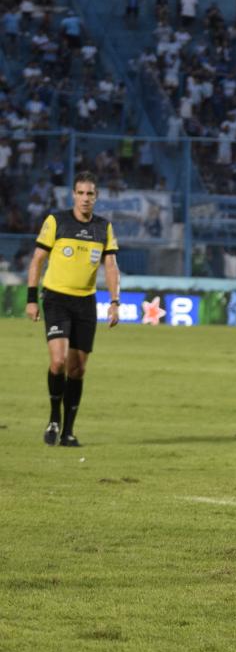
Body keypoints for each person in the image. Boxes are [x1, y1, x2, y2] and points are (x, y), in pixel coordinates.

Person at [25, 171, 120, 447]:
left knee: (77, 369)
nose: (85, 198)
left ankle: (68, 431)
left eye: (90, 193)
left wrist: (114, 302)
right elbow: (37, 261)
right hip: (56, 299)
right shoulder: (56, 221)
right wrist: (32, 298)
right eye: (81, 193)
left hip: (85, 303)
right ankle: (54, 418)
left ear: (96, 197)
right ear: (73, 195)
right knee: (58, 361)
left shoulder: (104, 227)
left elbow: (111, 267)